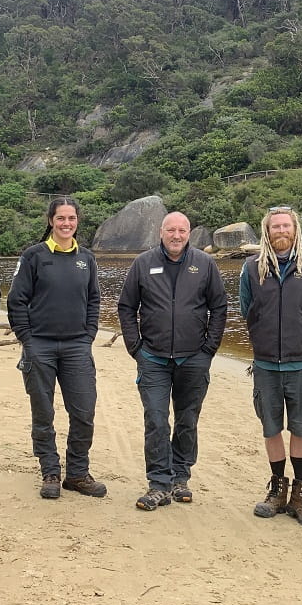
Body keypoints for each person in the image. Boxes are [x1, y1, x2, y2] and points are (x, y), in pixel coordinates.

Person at [117, 211, 228, 511]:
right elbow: (126, 307)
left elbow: (219, 307)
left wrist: (209, 349)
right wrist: (135, 348)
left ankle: (180, 476)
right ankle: (159, 484)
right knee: (155, 419)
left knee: (187, 420)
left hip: (194, 358)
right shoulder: (143, 263)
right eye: (171, 230)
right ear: (161, 232)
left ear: (189, 233)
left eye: (182, 230)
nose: (176, 236)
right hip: (152, 357)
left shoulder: (204, 264)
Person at [7, 197, 106, 500]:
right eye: (61, 218)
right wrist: (27, 337)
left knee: (84, 412)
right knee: (43, 412)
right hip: (41, 346)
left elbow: (93, 299)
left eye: (71, 218)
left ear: (78, 221)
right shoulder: (34, 256)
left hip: (77, 345)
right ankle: (50, 470)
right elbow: (16, 300)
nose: (66, 224)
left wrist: (88, 334)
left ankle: (77, 473)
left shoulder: (86, 258)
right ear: (51, 220)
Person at [239, 206, 302, 528]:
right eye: (275, 226)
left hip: (299, 362)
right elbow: (248, 309)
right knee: (271, 428)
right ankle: (277, 489)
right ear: (267, 231)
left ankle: (301, 494)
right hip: (265, 364)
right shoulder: (251, 269)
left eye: (286, 226)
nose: (281, 231)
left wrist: (298, 330)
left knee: (300, 428)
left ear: (295, 229)